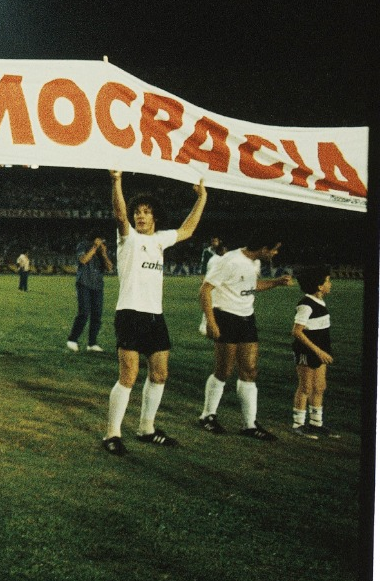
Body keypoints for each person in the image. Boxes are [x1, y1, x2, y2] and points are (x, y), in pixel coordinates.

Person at [102, 170, 206, 455]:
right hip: (130, 313)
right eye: (138, 212)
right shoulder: (129, 239)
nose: (140, 216)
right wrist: (116, 181)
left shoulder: (161, 239)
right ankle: (112, 433)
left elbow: (188, 230)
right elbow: (119, 216)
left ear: (155, 217)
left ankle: (146, 428)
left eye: (146, 212)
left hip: (154, 316)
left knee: (159, 374)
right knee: (129, 376)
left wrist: (203, 198)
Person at [196, 238, 293, 440]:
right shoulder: (229, 261)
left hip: (247, 318)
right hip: (226, 316)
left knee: (249, 370)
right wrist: (211, 322)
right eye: (273, 250)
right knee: (224, 370)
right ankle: (207, 415)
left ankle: (249, 424)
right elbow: (205, 289)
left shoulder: (254, 263)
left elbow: (252, 285)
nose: (274, 254)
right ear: (264, 247)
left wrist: (276, 283)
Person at [290, 264, 337, 438]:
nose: (330, 284)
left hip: (319, 352)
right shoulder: (306, 305)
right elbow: (296, 331)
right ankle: (298, 424)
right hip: (307, 351)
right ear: (319, 286)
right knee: (306, 387)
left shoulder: (320, 302)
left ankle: (316, 424)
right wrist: (318, 351)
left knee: (320, 387)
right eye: (328, 281)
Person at [67, 232, 113, 353]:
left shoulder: (101, 253)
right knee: (84, 312)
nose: (101, 244)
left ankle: (92, 343)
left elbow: (109, 268)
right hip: (84, 283)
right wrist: (94, 247)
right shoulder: (83, 245)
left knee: (97, 315)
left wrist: (103, 253)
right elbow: (83, 260)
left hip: (97, 285)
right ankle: (72, 339)